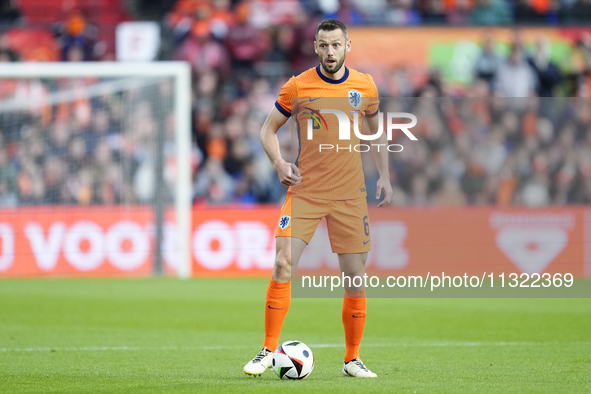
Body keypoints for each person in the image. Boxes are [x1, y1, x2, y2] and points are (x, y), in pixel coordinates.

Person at [243, 19, 392, 378]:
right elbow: (267, 130)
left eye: (336, 45)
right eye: (323, 45)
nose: (330, 52)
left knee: (355, 278)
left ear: (347, 46)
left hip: (349, 194)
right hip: (306, 190)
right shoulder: (298, 86)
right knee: (282, 264)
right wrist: (279, 162)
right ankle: (266, 350)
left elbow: (375, 133)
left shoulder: (364, 85)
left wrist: (385, 175)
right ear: (315, 46)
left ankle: (352, 359)